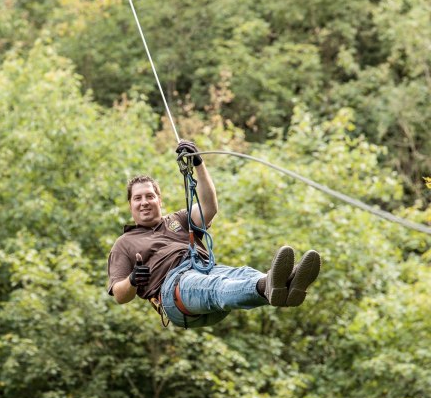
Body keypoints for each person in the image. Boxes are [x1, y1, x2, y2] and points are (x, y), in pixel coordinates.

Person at [107, 140, 321, 328]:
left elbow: (209, 208)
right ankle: (269, 285)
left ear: (159, 200)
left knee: (242, 274)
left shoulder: (177, 219)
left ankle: (286, 285)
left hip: (205, 269)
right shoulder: (125, 243)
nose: (144, 202)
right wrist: (133, 280)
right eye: (138, 198)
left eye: (150, 196)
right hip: (174, 290)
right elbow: (119, 295)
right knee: (216, 286)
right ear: (130, 205)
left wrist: (199, 164)